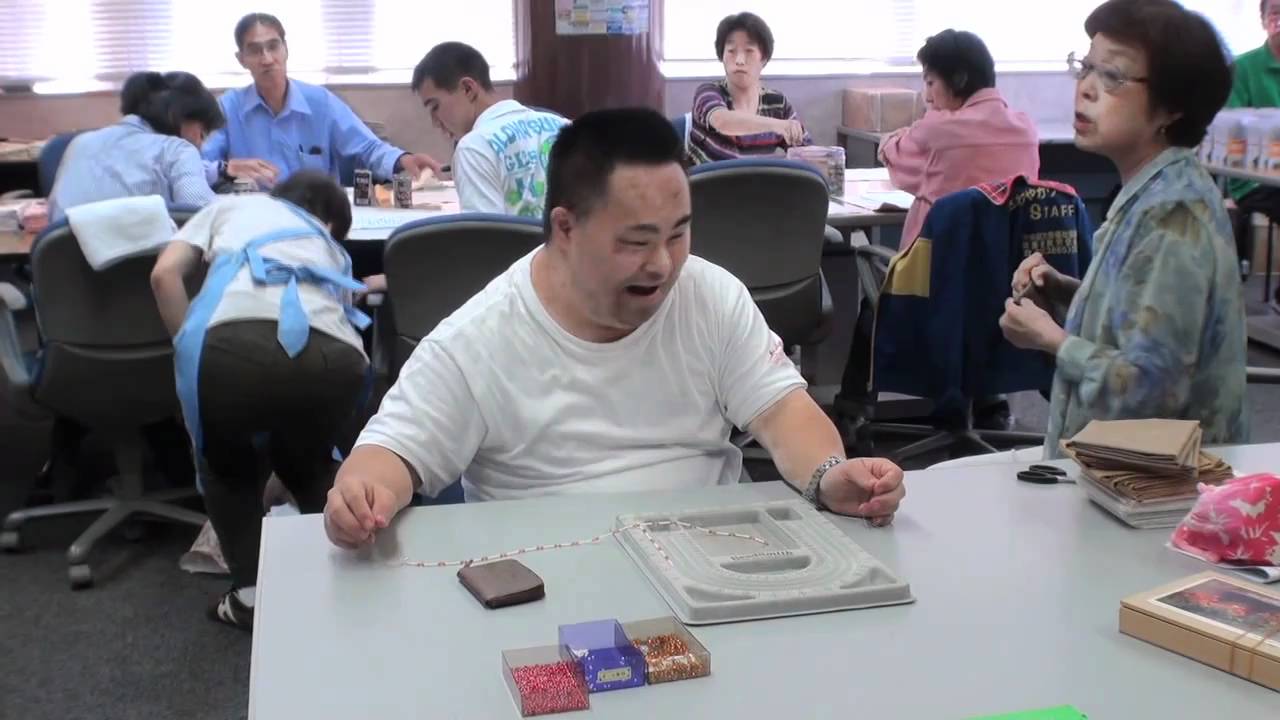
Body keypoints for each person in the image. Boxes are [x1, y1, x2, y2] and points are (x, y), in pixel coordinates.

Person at [322, 108, 905, 549]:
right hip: (550, 569)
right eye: (636, 241)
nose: (663, 264)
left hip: (709, 559)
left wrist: (830, 477)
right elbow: (391, 452)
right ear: (565, 228)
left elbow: (784, 413)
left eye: (678, 233)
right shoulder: (479, 335)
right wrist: (361, 495)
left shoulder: (710, 295)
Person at [999, 0, 1248, 458]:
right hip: (1124, 474)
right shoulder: (1155, 190)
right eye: (1085, 67)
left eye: (1112, 76)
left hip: (1163, 486)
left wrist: (1050, 338)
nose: (1086, 89)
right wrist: (1066, 293)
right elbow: (1144, 323)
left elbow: (1150, 391)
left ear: (1171, 107)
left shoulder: (1172, 216)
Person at [150, 171, 371, 629]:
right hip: (340, 360)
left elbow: (164, 275)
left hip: (230, 345)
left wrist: (193, 349)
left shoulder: (230, 206)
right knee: (309, 466)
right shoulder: (331, 248)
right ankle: (359, 579)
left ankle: (251, 596)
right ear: (330, 222)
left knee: (225, 469)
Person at [201, 12, 439, 189]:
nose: (267, 59)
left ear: (286, 49)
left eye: (273, 47)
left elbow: (368, 147)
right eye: (255, 50)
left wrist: (403, 159)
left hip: (316, 215)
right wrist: (227, 169)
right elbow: (193, 168)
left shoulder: (321, 103)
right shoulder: (228, 107)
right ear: (241, 59)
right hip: (255, 216)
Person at [881, 29, 1040, 250]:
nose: (927, 96)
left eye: (930, 83)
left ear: (959, 80)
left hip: (936, 265)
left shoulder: (936, 129)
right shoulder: (1026, 129)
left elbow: (894, 156)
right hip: (1009, 265)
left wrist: (893, 138)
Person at [411, 42, 568, 217]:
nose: (435, 122)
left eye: (435, 106)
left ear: (468, 89)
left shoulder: (473, 148)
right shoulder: (563, 126)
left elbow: (485, 233)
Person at [47, 71, 222, 223]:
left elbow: (54, 212)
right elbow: (205, 217)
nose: (201, 144)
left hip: (64, 251)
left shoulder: (79, 143)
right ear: (177, 116)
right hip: (143, 252)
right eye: (203, 132)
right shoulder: (177, 149)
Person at [686, 12, 811, 166]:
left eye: (749, 51)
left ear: (763, 58)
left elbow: (808, 153)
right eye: (731, 51)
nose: (739, 60)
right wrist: (779, 125)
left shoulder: (777, 104)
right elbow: (722, 121)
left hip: (757, 181)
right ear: (722, 56)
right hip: (707, 181)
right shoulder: (708, 93)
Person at [1226, 0, 1280, 286]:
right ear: (1263, 20)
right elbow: (1234, 132)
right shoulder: (1244, 67)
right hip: (1253, 180)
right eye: (1275, 12)